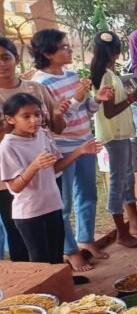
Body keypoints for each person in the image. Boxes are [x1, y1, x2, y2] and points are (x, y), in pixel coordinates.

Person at [30, 29, 112, 271]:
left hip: (85, 141)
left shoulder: (72, 75)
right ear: (48, 53)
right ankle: (70, 250)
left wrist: (97, 99)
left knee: (88, 194)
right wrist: (76, 99)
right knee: (63, 202)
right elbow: (53, 122)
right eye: (64, 47)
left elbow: (86, 110)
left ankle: (86, 239)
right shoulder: (40, 84)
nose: (70, 50)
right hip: (62, 147)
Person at [0, 93, 100, 265]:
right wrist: (34, 166)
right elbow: (15, 187)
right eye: (26, 116)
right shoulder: (8, 146)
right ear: (10, 119)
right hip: (30, 213)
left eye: (37, 114)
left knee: (56, 256)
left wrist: (80, 151)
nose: (34, 120)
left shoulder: (41, 135)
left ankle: (63, 282)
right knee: (41, 262)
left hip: (53, 205)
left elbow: (55, 168)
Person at [0, 37, 69, 262]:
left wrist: (57, 115)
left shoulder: (36, 89)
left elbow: (57, 127)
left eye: (5, 57)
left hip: (45, 166)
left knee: (53, 226)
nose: (2, 64)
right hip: (9, 178)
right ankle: (32, 281)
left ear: (16, 59)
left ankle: (58, 273)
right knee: (20, 233)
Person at [89, 31, 137, 247]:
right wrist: (135, 96)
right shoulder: (106, 76)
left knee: (127, 179)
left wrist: (134, 94)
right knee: (119, 182)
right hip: (113, 136)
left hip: (119, 133)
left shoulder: (107, 73)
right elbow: (110, 111)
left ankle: (134, 223)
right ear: (117, 52)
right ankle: (122, 232)